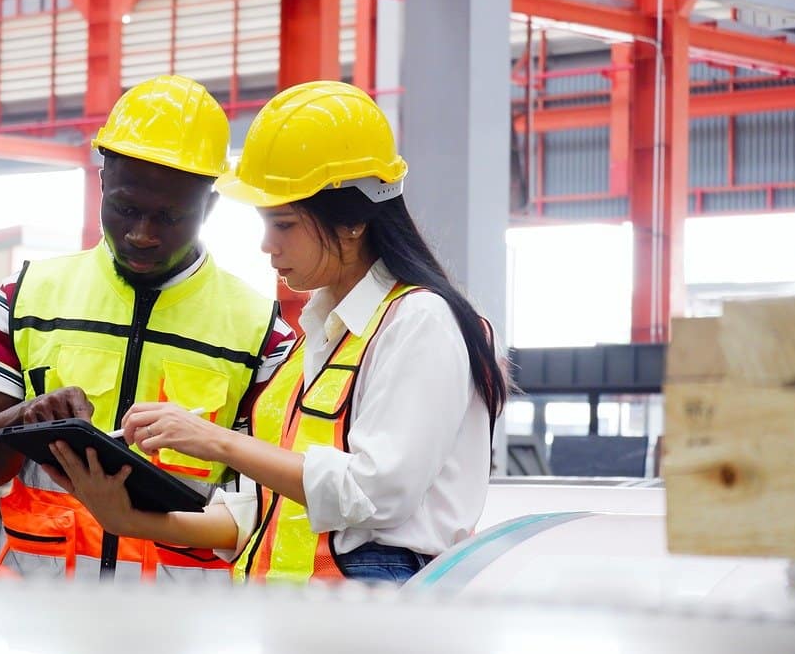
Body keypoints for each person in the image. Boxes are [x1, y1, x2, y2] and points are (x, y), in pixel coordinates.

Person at [48, 80, 508, 584]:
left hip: (372, 611)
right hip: (297, 616)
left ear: (353, 220)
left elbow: (377, 495)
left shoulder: (420, 322)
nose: (268, 246)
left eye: (284, 225)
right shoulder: (316, 339)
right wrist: (124, 519)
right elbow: (260, 515)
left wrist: (215, 441)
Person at [0, 74, 295, 582]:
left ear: (210, 207)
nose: (141, 234)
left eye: (168, 217)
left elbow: (270, 507)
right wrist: (22, 420)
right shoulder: (27, 297)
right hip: (35, 619)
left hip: (178, 633)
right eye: (125, 208)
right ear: (102, 182)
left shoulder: (261, 331)